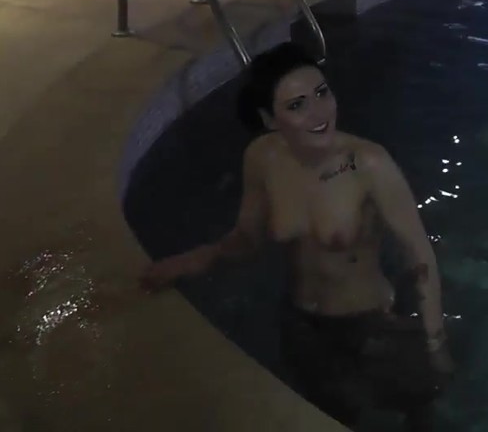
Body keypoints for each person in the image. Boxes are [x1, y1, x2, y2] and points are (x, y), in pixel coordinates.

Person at [140, 41, 455, 431]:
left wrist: (435, 342)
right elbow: (248, 238)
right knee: (330, 416)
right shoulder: (262, 158)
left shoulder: (368, 164)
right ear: (270, 119)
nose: (319, 113)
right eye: (297, 105)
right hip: (302, 325)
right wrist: (196, 259)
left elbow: (419, 255)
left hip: (371, 324)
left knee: (417, 414)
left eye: (322, 93)